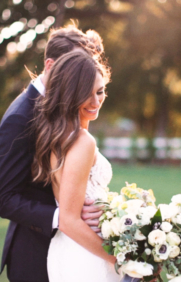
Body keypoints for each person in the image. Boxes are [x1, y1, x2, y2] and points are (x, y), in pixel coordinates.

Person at [0, 24, 106, 282]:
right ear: (50, 65)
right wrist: (65, 215)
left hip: (79, 250)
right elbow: (4, 198)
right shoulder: (20, 118)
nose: (83, 76)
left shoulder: (70, 104)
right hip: (36, 252)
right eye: (74, 66)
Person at [31, 50, 120, 281]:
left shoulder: (56, 135)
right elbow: (69, 220)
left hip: (67, 249)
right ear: (69, 95)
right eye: (85, 94)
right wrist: (121, 259)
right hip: (89, 253)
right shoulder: (82, 141)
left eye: (100, 91)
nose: (96, 101)